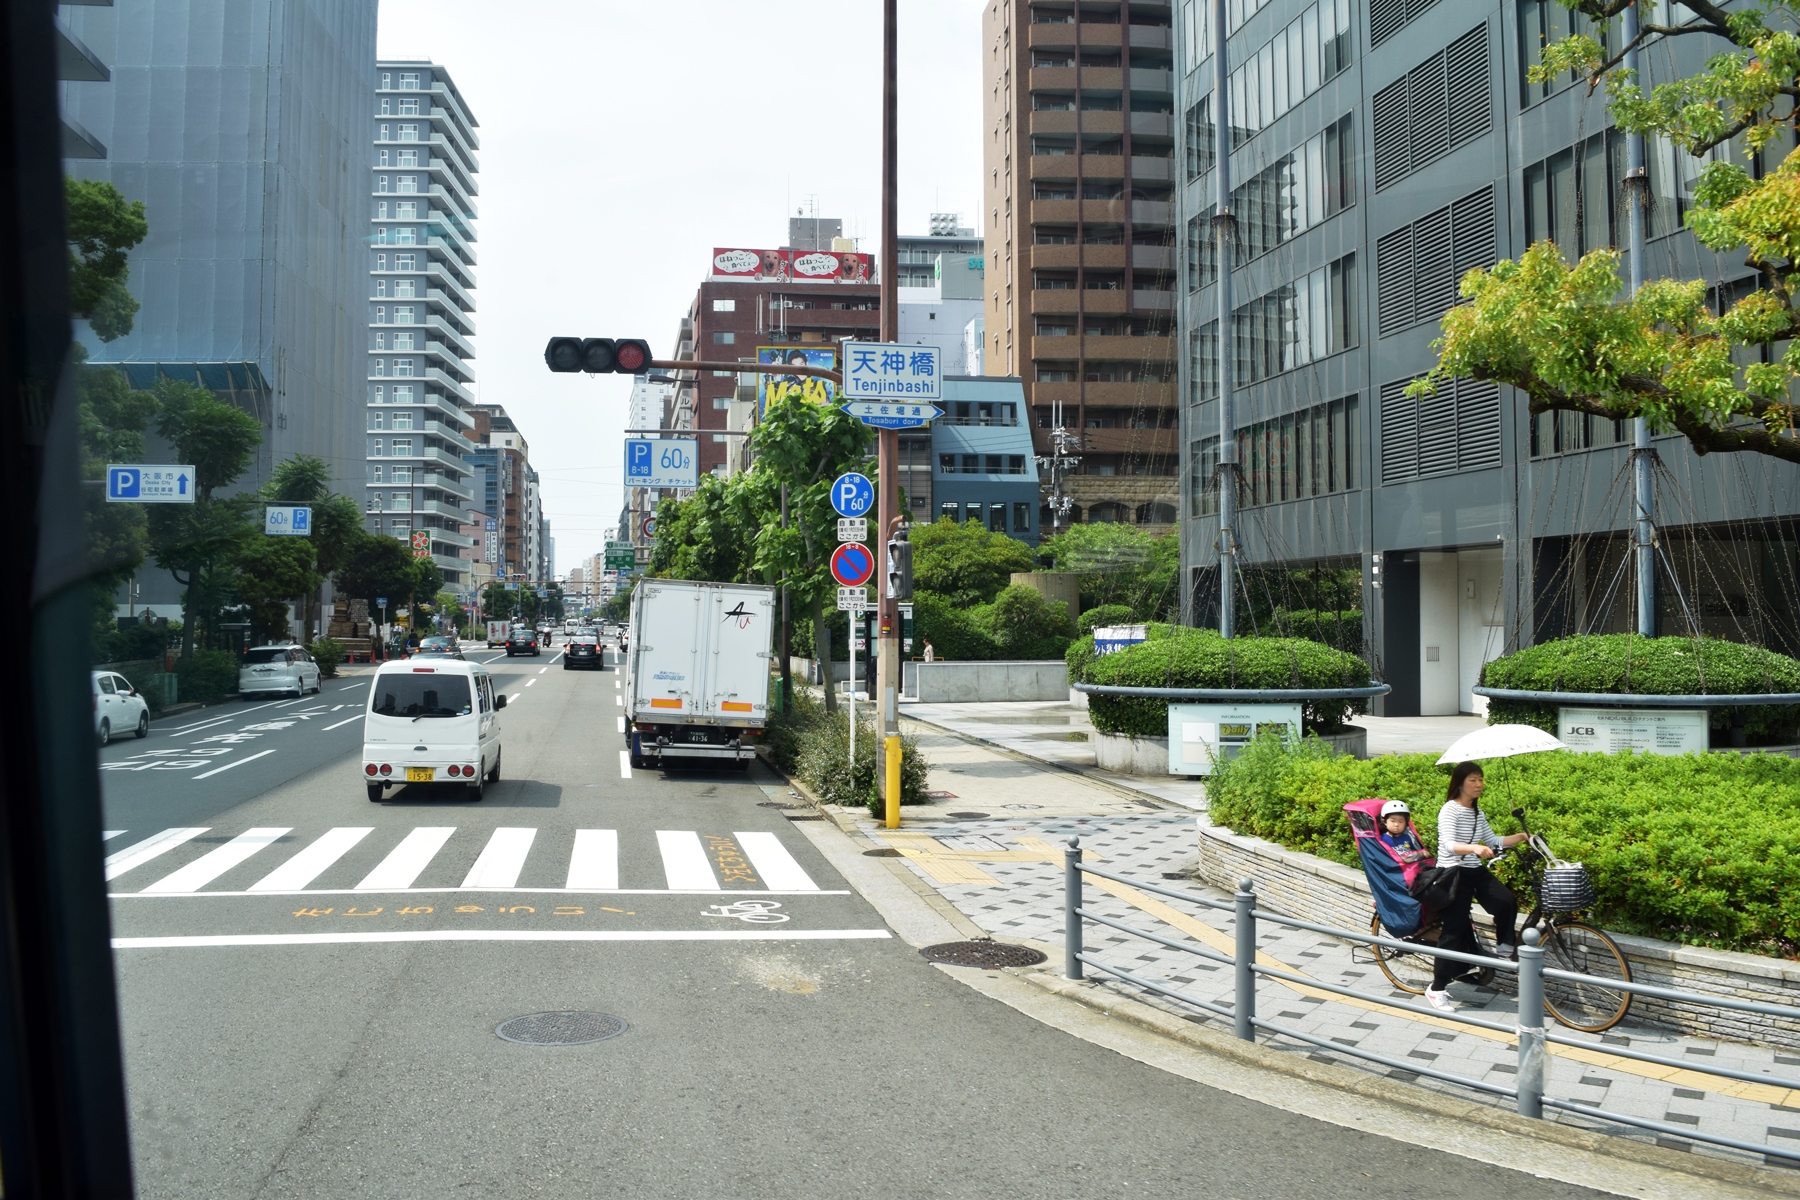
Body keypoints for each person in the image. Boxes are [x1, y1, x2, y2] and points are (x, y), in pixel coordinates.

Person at [1426, 761, 1527, 1012]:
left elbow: (1493, 840)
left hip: (1473, 869)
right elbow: (1449, 844)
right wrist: (1473, 847)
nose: (1479, 784)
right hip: (1453, 873)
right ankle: (1437, 988)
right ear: (1460, 783)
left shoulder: (1476, 813)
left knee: (1505, 900)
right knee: (1454, 930)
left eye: (1481, 779)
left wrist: (1524, 837)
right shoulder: (1449, 810)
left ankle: (1505, 946)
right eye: (1473, 780)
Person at [1377, 800, 1429, 867]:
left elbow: (1414, 851)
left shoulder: (1408, 837)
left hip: (1411, 868)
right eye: (1392, 821)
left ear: (1406, 823)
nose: (1396, 824)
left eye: (1401, 821)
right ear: (1384, 822)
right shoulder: (1382, 839)